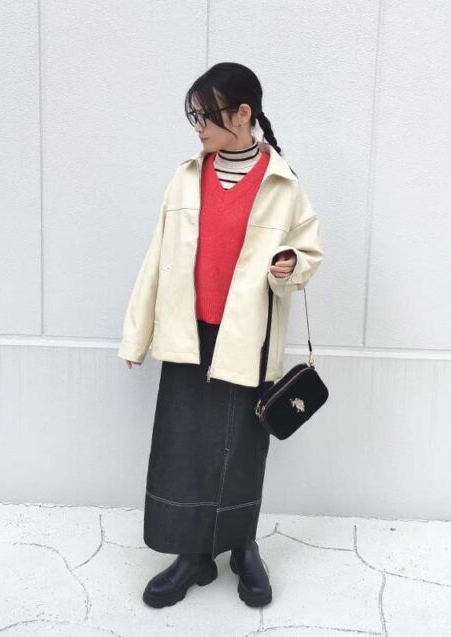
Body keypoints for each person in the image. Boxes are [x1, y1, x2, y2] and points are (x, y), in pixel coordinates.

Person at [117, 62, 324, 609]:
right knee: (183, 446)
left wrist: (290, 263)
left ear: (242, 113)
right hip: (187, 334)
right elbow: (157, 257)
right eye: (193, 116)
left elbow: (309, 251)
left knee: (242, 449)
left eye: (204, 115)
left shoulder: (283, 183)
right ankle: (193, 556)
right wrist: (137, 335)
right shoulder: (186, 177)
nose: (198, 127)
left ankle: (242, 547)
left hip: (248, 337)